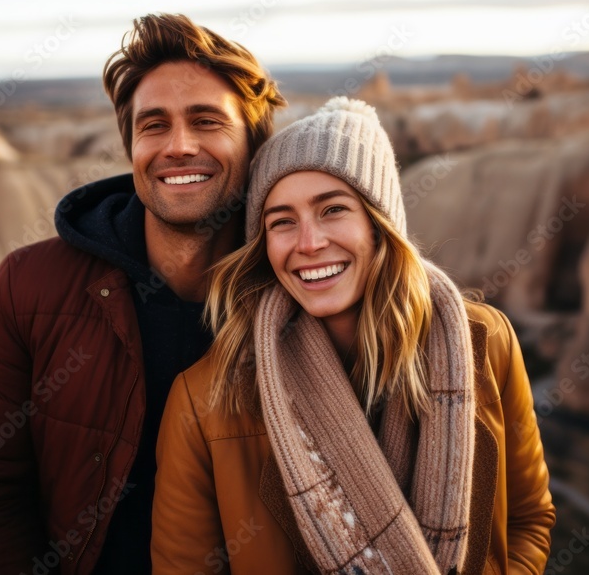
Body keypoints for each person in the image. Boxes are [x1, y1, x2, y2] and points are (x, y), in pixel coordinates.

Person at [0, 13, 286, 574]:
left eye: (206, 121)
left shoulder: (299, 294)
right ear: (131, 148)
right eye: (153, 125)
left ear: (254, 145)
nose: (178, 146)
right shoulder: (28, 286)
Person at [152, 97, 555, 574]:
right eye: (282, 221)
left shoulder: (484, 344)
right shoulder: (204, 401)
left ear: (379, 226)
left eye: (333, 209)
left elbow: (529, 519)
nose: (309, 243)